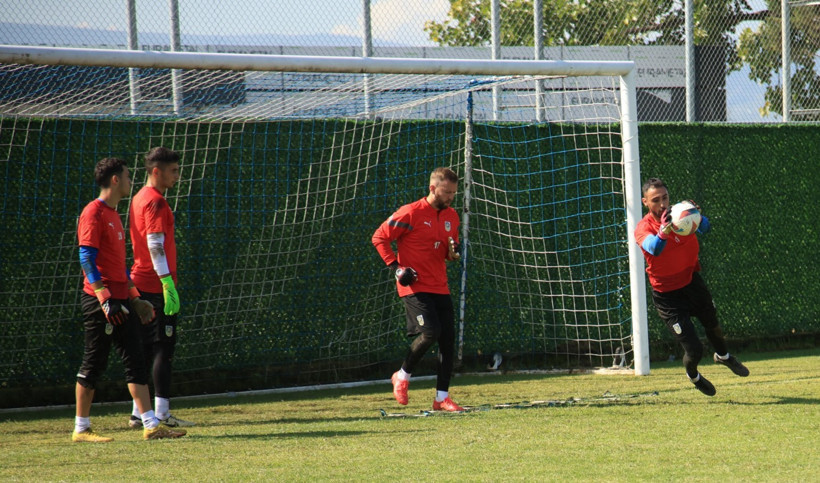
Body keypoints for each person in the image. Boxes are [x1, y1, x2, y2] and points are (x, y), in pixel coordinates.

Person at [74, 157, 187, 442]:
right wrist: (105, 298)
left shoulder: (115, 214)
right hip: (101, 302)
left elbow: (119, 267)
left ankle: (150, 424)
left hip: (122, 298)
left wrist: (135, 298)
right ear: (115, 180)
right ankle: (81, 428)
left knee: (136, 360)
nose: (130, 181)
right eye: (126, 176)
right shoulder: (94, 212)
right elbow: (86, 258)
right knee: (93, 364)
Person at [634, 177, 749, 396]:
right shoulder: (644, 228)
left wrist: (697, 215)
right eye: (655, 200)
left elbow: (706, 228)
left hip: (691, 281)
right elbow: (654, 248)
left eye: (665, 197)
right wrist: (664, 231)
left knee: (712, 323)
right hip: (668, 296)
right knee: (694, 349)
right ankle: (693, 376)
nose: (662, 204)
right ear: (645, 202)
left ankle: (724, 357)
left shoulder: (681, 215)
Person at [372, 167, 465, 412]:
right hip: (414, 286)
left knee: (447, 341)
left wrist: (453, 252)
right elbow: (379, 237)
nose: (450, 197)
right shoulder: (411, 212)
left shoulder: (452, 216)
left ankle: (441, 398)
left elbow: (449, 249)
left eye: (454, 193)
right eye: (446, 192)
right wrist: (396, 267)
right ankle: (401, 376)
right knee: (431, 331)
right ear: (432, 188)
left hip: (439, 285)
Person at [127, 146, 194, 429]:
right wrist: (167, 282)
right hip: (155, 285)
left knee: (143, 350)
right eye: (174, 171)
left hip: (140, 283)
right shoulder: (154, 201)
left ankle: (138, 413)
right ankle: (162, 414)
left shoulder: (138, 197)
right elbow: (155, 245)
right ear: (157, 171)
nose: (178, 176)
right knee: (162, 349)